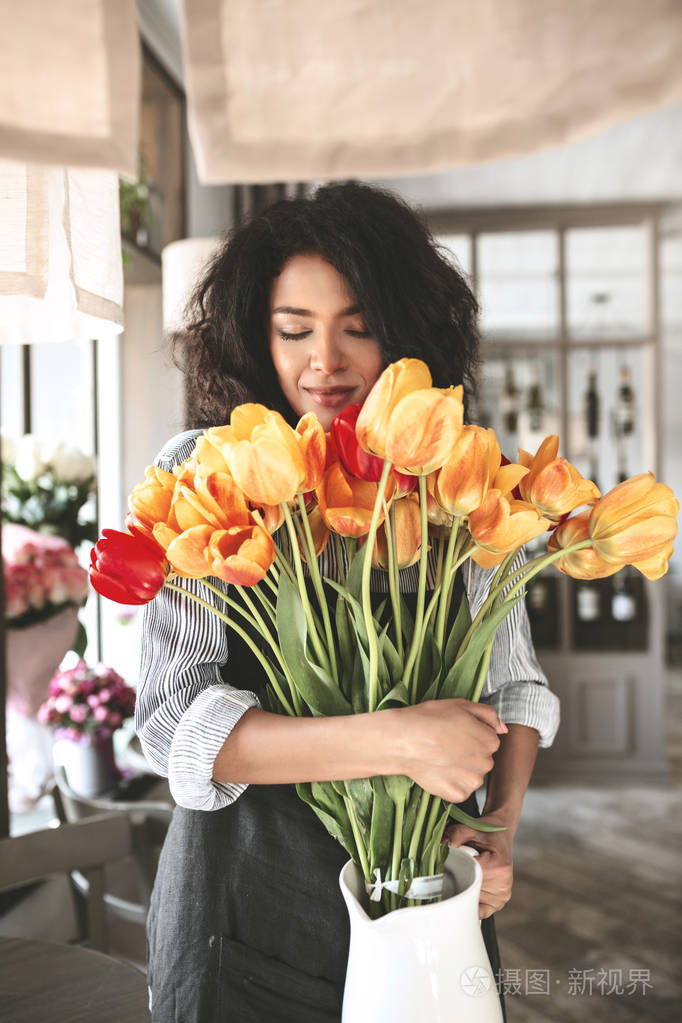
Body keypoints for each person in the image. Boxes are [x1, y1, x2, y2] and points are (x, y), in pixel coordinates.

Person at [136, 182, 559, 1022]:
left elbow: (514, 687)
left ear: (408, 334)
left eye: (358, 327)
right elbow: (174, 726)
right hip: (247, 903)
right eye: (294, 329)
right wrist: (400, 742)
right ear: (255, 334)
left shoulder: (454, 477)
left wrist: (500, 826)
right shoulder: (204, 472)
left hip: (426, 888)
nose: (324, 361)